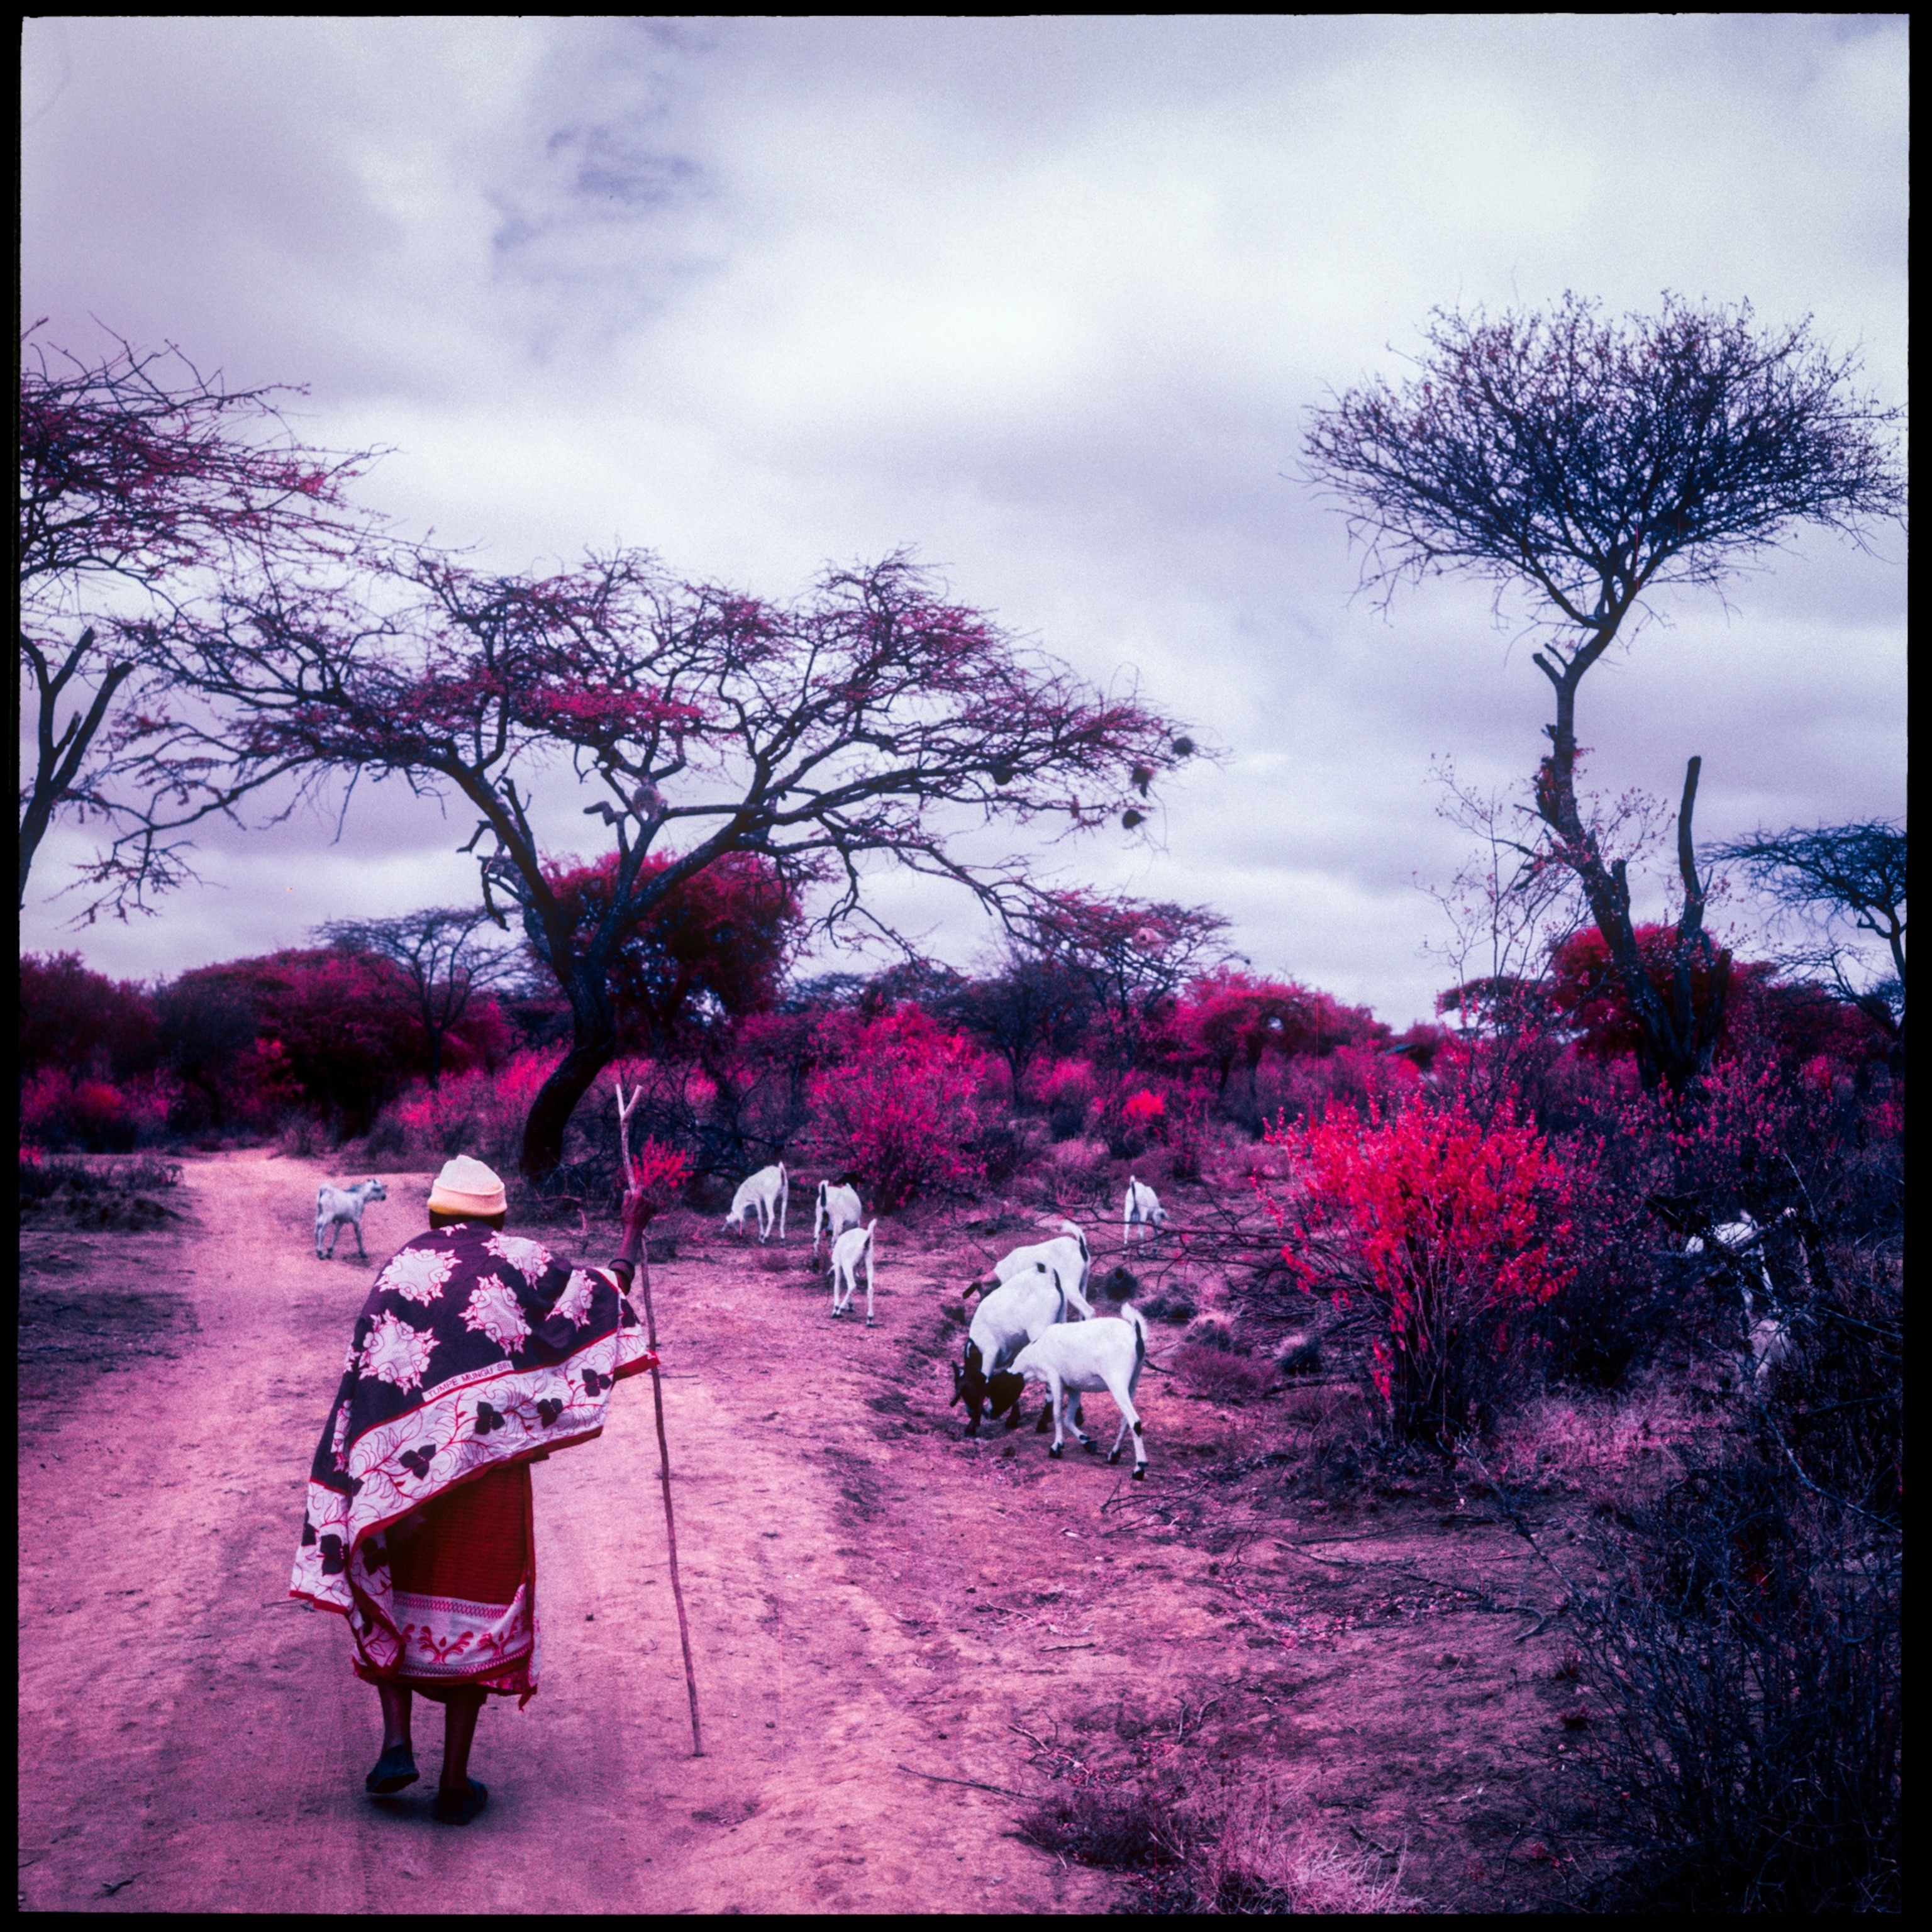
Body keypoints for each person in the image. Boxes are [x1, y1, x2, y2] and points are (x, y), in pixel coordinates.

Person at [291, 1155, 660, 1825]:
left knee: (395, 1594)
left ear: (434, 1214)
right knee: (477, 1612)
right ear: (498, 1218)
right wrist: (632, 1231)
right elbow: (595, 1300)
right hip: (486, 1475)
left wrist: (375, 1477)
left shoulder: (400, 1268)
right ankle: (455, 1785)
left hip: (405, 1483)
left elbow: (363, 1379)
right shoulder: (519, 1260)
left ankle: (396, 1742)